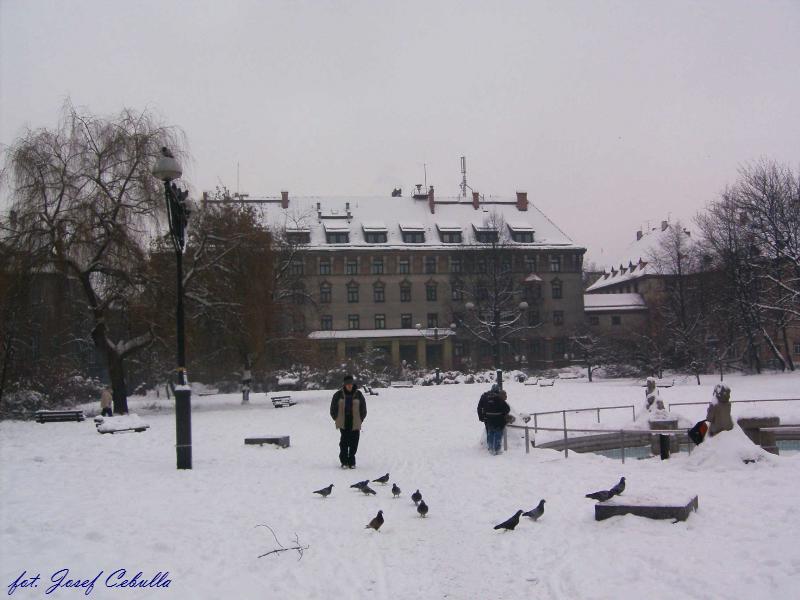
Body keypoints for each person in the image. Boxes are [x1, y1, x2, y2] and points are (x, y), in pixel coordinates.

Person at [330, 374, 367, 468]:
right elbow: (333, 409)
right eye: (347, 384)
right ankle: (344, 461)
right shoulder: (338, 395)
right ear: (344, 385)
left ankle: (352, 461)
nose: (349, 385)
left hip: (355, 421)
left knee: (354, 442)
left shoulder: (358, 394)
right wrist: (336, 418)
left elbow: (363, 409)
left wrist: (361, 419)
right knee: (344, 442)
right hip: (343, 421)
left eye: (350, 384)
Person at [477, 385, 511, 455]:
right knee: (498, 433)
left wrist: (481, 417)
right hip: (499, 420)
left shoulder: (485, 396)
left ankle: (490, 448)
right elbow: (507, 408)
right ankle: (497, 449)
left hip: (488, 418)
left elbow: (479, 407)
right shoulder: (499, 397)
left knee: (490, 433)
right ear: (498, 390)